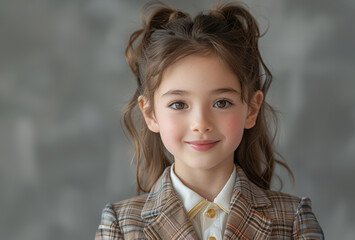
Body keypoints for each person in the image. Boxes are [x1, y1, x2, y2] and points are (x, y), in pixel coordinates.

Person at [95, 1, 324, 239]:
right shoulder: (121, 225)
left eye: (221, 103)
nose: (201, 123)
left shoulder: (293, 219)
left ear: (252, 109)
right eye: (179, 105)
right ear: (151, 114)